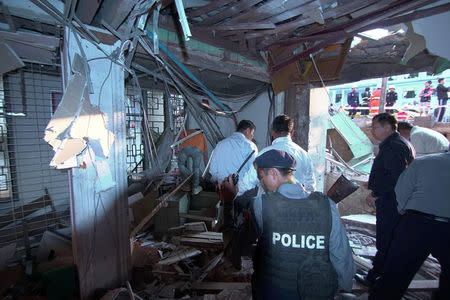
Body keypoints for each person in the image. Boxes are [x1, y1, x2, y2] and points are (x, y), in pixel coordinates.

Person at [221, 150, 355, 299]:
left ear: (273, 173)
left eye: (261, 177)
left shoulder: (261, 206)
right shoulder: (327, 205)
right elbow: (344, 266)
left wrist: (228, 202)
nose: (261, 183)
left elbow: (233, 249)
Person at [370, 151, 450, 299]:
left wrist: (404, 212)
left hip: (417, 223)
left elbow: (401, 190)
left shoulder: (424, 161)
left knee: (395, 275)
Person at [361, 113, 415, 287]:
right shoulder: (395, 144)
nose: (372, 130)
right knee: (389, 239)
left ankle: (377, 278)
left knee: (386, 240)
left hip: (392, 201)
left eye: (375, 127)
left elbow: (394, 178)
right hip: (394, 200)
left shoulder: (394, 147)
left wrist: (376, 194)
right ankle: (381, 276)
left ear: (387, 127)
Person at [238, 114, 315, 195]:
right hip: (297, 205)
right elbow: (310, 187)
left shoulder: (264, 155)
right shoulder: (304, 155)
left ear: (272, 131)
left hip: (269, 205)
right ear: (291, 132)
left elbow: (247, 183)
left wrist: (234, 193)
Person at [209, 120, 258, 185]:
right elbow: (254, 172)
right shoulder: (250, 146)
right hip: (242, 191)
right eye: (252, 134)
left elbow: (213, 171)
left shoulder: (220, 144)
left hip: (224, 190)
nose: (252, 137)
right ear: (247, 131)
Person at [177, 128, 208, 194]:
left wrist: (175, 148)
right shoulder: (202, 137)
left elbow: (176, 136)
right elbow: (205, 157)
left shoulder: (189, 131)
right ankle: (195, 188)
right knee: (196, 168)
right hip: (198, 150)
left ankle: (186, 184)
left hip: (185, 148)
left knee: (181, 164)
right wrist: (207, 171)